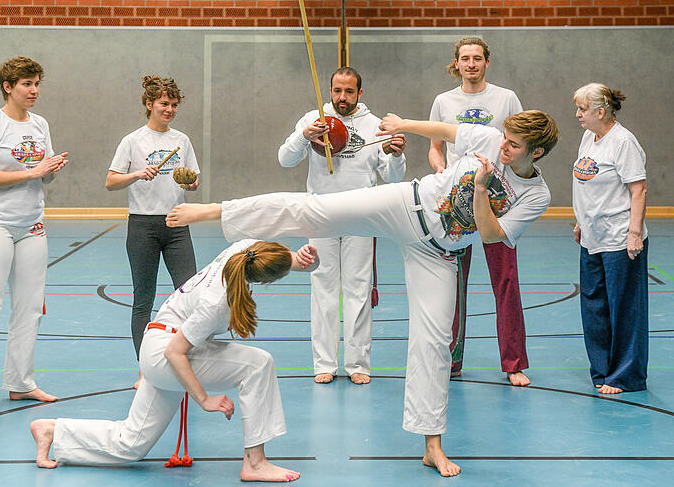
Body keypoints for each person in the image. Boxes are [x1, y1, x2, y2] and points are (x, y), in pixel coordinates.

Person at [166, 110, 559, 477]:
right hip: (408, 203)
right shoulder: (491, 139)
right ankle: (217, 210)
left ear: (535, 153)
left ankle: (432, 445)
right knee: (317, 210)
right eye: (505, 139)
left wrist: (478, 189)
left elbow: (491, 235)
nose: (503, 147)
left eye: (514, 146)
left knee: (435, 341)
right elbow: (446, 131)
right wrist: (403, 122)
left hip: (439, 253)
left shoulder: (536, 195)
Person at [31, 239, 318, 483]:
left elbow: (277, 259)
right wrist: (204, 399)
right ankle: (255, 462)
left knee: (131, 444)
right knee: (259, 364)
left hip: (157, 344)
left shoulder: (244, 250)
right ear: (265, 280)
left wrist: (300, 258)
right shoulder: (218, 303)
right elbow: (175, 352)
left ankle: (54, 431)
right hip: (166, 353)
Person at [278, 66, 406, 385]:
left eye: (349, 91)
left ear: (360, 94)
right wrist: (303, 136)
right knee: (323, 287)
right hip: (320, 213)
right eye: (337, 91)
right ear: (330, 90)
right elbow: (284, 159)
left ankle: (358, 363)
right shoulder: (313, 119)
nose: (342, 97)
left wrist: (396, 156)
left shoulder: (375, 126)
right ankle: (324, 362)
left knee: (358, 288)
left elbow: (392, 177)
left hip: (362, 215)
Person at [0, 56, 69, 416]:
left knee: (30, 308)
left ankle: (20, 383)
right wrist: (31, 171)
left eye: (37, 83)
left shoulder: (40, 124)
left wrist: (49, 170)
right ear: (8, 87)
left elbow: (41, 175)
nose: (34, 90)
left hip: (31, 226)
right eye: (26, 84)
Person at [428, 37, 530, 386]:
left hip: (497, 203)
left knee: (505, 282)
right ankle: (451, 359)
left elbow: (521, 145)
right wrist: (441, 172)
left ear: (487, 62)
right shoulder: (443, 101)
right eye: (464, 59)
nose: (471, 64)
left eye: (477, 58)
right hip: (457, 205)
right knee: (452, 285)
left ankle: (513, 363)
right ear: (455, 63)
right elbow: (435, 148)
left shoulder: (507, 99)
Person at [106, 76, 200, 389]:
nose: (170, 109)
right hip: (143, 226)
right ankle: (145, 370)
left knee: (190, 295)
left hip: (176, 223)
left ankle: (187, 362)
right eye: (164, 104)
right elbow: (111, 181)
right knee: (142, 300)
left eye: (174, 105)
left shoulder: (182, 140)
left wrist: (190, 181)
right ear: (149, 105)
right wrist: (136, 174)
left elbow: (193, 181)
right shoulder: (132, 141)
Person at [572, 83, 648, 395]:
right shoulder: (589, 136)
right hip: (592, 238)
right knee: (594, 307)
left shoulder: (623, 141)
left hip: (619, 240)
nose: (578, 115)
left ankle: (626, 376)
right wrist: (580, 220)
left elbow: (638, 190)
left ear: (600, 112)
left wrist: (634, 233)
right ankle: (602, 371)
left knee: (624, 309)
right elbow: (585, 181)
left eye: (582, 109)